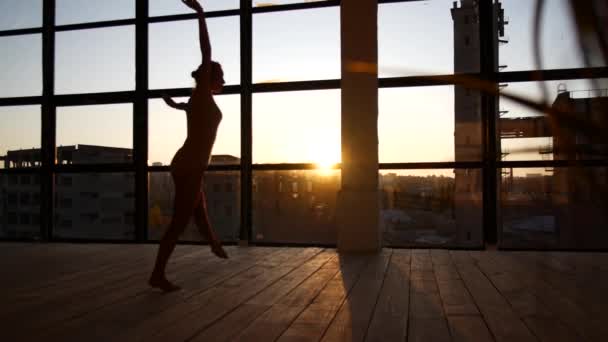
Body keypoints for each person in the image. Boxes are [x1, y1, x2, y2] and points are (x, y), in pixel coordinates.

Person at [149, 0, 228, 292]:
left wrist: (173, 104)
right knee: (181, 221)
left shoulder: (198, 99)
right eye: (221, 76)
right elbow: (206, 50)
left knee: (197, 207)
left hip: (188, 164)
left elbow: (187, 109)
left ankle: (214, 244)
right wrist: (201, 13)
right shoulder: (203, 96)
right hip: (189, 164)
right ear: (211, 76)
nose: (225, 80)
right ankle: (158, 273)